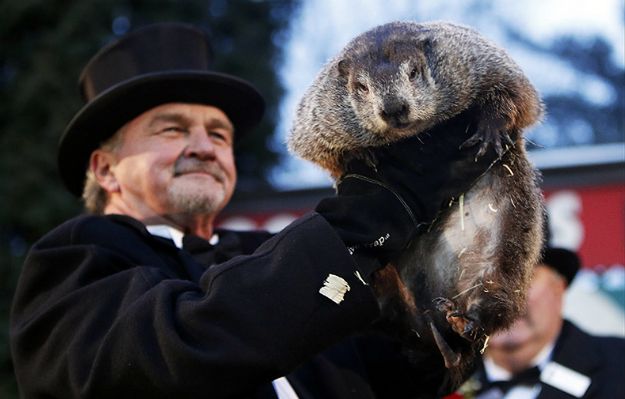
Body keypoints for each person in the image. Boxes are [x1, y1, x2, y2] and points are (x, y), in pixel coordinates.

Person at [10, 23, 499, 398]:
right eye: (172, 130)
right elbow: (176, 353)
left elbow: (389, 375)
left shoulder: (263, 256)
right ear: (105, 169)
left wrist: (453, 311)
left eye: (218, 135)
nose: (204, 148)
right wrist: (371, 214)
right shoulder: (78, 259)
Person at [460, 247, 625, 399]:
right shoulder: (441, 376)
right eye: (481, 280)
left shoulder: (618, 367)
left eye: (521, 277)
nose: (502, 297)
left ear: (558, 287)